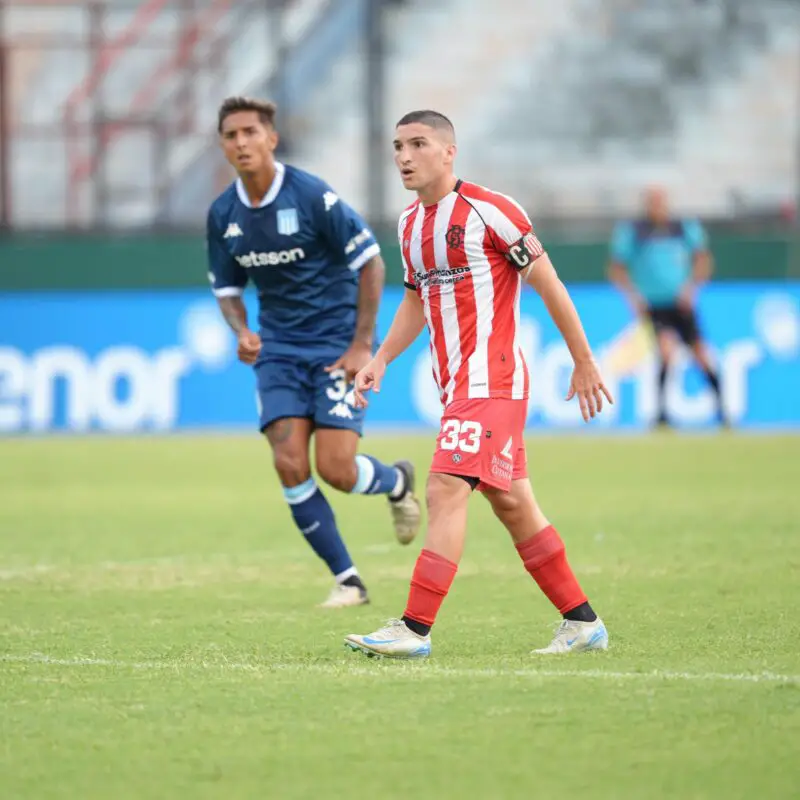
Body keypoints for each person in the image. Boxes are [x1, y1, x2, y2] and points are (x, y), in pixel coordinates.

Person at [343, 110, 612, 659]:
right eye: (397, 146)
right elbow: (418, 300)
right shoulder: (409, 225)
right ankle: (582, 622)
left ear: (449, 151)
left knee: (443, 489)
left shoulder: (492, 211)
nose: (404, 156)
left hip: (494, 382)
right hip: (457, 386)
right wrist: (383, 357)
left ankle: (414, 629)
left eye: (418, 144)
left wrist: (583, 360)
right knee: (513, 504)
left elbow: (549, 283)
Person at [206, 96, 421, 609]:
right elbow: (227, 288)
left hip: (334, 347)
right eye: (231, 135)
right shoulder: (223, 214)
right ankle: (348, 580)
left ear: (271, 139)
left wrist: (361, 344)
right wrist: (241, 330)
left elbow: (371, 262)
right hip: (278, 352)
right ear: (223, 145)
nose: (241, 143)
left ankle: (396, 481)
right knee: (287, 463)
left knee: (338, 470)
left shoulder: (310, 195)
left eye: (250, 133)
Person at [608, 186, 727, 428]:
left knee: (701, 355)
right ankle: (662, 413)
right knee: (665, 353)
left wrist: (692, 288)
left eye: (660, 201)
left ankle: (722, 408)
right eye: (652, 201)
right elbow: (616, 267)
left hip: (680, 304)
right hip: (654, 304)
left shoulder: (683, 227)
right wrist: (633, 297)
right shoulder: (634, 231)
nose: (657, 206)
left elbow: (703, 258)